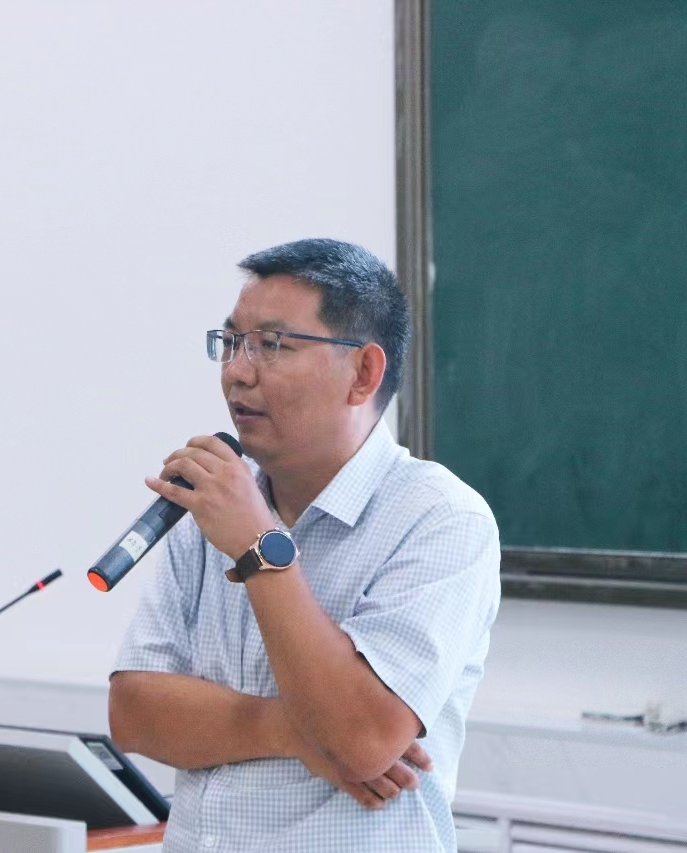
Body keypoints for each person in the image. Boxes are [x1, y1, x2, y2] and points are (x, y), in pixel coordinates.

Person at [109, 238, 501, 852]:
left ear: (363, 373)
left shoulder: (440, 518)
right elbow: (134, 713)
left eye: (272, 345)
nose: (237, 372)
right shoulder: (208, 504)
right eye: (231, 342)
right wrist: (293, 730)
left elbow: (362, 738)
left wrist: (257, 545)